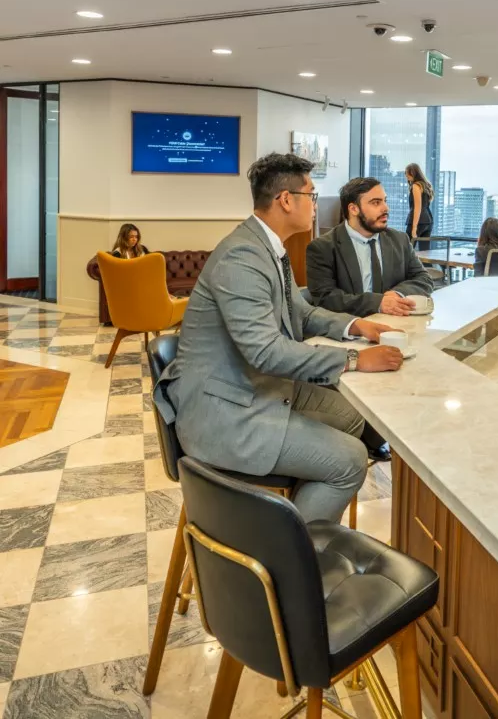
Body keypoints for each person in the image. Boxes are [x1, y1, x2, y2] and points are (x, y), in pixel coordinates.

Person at [154, 153, 403, 524]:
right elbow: (265, 352)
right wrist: (352, 359)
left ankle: (301, 516)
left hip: (254, 387)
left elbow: (299, 313)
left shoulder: (269, 247)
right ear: (286, 200)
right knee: (350, 460)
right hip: (225, 410)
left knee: (353, 418)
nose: (316, 205)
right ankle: (280, 561)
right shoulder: (242, 256)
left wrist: (354, 326)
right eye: (312, 195)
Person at [306, 176, 434, 318]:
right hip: (349, 331)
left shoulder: (400, 240)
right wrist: (378, 303)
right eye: (376, 203)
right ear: (354, 209)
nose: (386, 208)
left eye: (385, 201)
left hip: (396, 324)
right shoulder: (323, 247)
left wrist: (396, 294)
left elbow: (424, 279)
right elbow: (326, 298)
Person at [405, 163, 434, 247]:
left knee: (407, 249)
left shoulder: (416, 186)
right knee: (425, 251)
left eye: (407, 172)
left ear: (413, 173)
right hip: (428, 221)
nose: (406, 175)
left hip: (418, 222)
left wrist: (414, 228)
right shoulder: (425, 186)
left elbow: (418, 208)